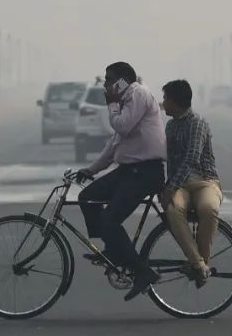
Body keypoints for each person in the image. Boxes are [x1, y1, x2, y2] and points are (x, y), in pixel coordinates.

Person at [76, 62, 166, 301]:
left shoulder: (138, 95)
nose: (106, 85)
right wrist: (90, 170)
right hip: (129, 171)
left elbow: (122, 127)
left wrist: (112, 103)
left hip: (145, 172)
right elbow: (114, 143)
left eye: (109, 80)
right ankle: (113, 250)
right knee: (87, 197)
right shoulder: (126, 101)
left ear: (123, 81)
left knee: (110, 220)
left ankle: (142, 272)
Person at [160, 79, 221, 287]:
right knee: (174, 210)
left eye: (166, 98)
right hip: (182, 185)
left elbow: (192, 158)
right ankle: (199, 265)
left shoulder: (197, 122)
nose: (163, 103)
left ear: (175, 101)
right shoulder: (170, 125)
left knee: (209, 209)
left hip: (205, 181)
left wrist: (170, 187)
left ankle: (202, 262)